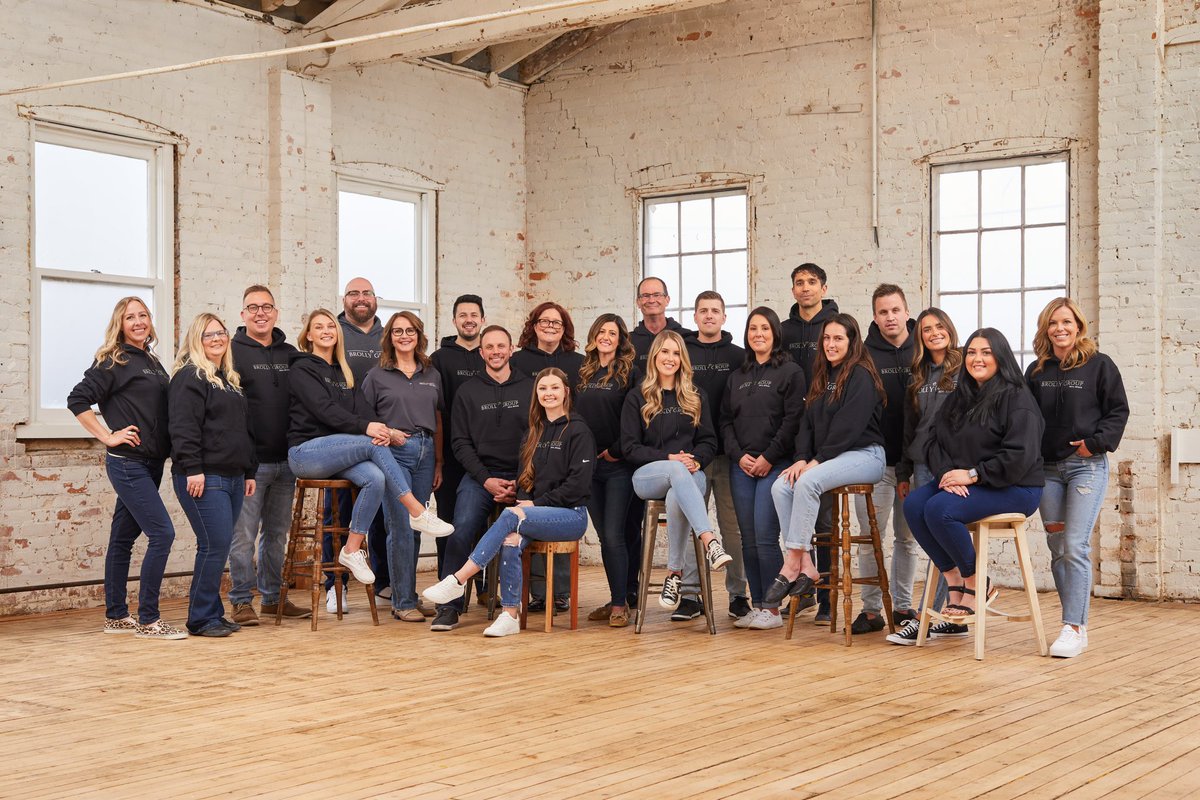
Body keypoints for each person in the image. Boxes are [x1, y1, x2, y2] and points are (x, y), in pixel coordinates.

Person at [286, 308, 451, 605]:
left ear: (338, 334)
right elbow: (325, 411)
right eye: (319, 327)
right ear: (308, 335)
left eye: (331, 327)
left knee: (374, 478)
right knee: (376, 445)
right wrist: (374, 430)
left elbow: (361, 410)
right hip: (306, 452)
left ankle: (351, 549)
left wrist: (382, 428)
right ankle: (417, 510)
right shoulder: (301, 369)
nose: (326, 331)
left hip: (338, 452)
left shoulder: (343, 371)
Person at [423, 368, 595, 637]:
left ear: (566, 392)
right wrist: (526, 499)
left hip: (570, 516)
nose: (548, 393)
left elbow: (578, 485)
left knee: (512, 516)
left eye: (554, 388)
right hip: (537, 514)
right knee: (510, 540)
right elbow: (526, 480)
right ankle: (510, 615)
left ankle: (458, 579)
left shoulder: (579, 430)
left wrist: (534, 504)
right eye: (542, 389)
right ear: (536, 394)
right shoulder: (532, 434)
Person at [903, 329, 1045, 624]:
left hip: (1015, 486)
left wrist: (972, 475)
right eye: (971, 352)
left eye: (986, 352)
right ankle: (955, 579)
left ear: (1000, 357)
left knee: (940, 510)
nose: (976, 359)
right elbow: (933, 441)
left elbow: (1019, 456)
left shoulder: (1017, 398)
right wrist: (946, 475)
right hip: (969, 482)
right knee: (915, 505)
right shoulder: (960, 397)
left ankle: (978, 582)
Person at [68, 297, 185, 640]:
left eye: (143, 315)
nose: (138, 322)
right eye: (130, 317)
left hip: (152, 463)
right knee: (163, 534)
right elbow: (77, 399)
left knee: (122, 539)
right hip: (128, 464)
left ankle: (116, 616)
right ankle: (149, 620)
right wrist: (108, 435)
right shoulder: (113, 359)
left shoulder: (151, 360)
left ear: (150, 320)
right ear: (120, 323)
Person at [1027, 298, 1128, 658]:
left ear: (1079, 326)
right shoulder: (1036, 371)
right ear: (1046, 328)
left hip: (1086, 466)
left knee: (1075, 545)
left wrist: (1095, 444)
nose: (1060, 329)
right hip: (1047, 471)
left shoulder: (1099, 365)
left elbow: (1118, 410)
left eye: (1067, 322)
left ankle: (1073, 626)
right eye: (1053, 323)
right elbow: (1025, 419)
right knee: (1057, 548)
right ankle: (1073, 623)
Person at [768, 314, 886, 609]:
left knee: (808, 481)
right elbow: (806, 424)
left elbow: (849, 425)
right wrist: (801, 459)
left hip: (866, 455)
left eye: (838, 338)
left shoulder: (860, 374)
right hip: (831, 458)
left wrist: (817, 461)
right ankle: (806, 563)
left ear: (852, 341)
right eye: (827, 338)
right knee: (782, 486)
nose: (831, 344)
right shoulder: (822, 375)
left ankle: (791, 563)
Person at [620, 330, 732, 611]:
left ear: (682, 359)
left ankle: (674, 574)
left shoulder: (695, 396)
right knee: (677, 473)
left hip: (688, 474)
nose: (670, 358)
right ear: (655, 356)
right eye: (664, 352)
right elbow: (630, 448)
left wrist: (696, 461)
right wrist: (669, 457)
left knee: (678, 493)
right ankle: (710, 540)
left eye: (675, 353)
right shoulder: (637, 397)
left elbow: (709, 440)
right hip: (647, 476)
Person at [433, 325, 533, 632]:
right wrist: (486, 479)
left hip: (522, 479)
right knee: (460, 528)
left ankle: (524, 602)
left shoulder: (530, 388)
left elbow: (537, 437)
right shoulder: (468, 391)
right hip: (479, 478)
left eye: (501, 346)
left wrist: (520, 480)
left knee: (526, 533)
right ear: (481, 352)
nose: (495, 352)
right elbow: (459, 443)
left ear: (511, 349)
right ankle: (448, 607)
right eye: (489, 347)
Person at [359, 311, 452, 622]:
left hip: (426, 453)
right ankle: (402, 602)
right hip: (394, 452)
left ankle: (408, 594)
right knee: (399, 527)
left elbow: (438, 419)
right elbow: (364, 420)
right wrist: (387, 433)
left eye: (409, 330)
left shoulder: (432, 373)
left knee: (417, 527)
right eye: (397, 331)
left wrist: (438, 460)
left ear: (418, 335)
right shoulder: (377, 376)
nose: (404, 336)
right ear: (389, 338)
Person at [169, 313, 257, 638]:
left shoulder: (229, 379)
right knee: (213, 545)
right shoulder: (189, 377)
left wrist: (249, 470)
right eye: (208, 335)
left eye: (220, 333)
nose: (216, 339)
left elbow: (244, 430)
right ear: (197, 339)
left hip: (233, 477)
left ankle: (214, 614)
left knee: (217, 547)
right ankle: (201, 619)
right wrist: (193, 468)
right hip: (204, 477)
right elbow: (182, 427)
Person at [227, 285, 309, 625]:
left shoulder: (291, 354)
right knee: (243, 535)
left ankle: (273, 598)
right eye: (253, 307)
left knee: (277, 535)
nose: (261, 313)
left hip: (286, 461)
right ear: (243, 314)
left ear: (276, 313)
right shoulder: (231, 352)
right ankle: (241, 601)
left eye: (267, 307)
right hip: (250, 464)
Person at [722, 307, 806, 630]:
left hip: (775, 464)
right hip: (741, 464)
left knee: (765, 535)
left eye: (765, 329)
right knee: (747, 537)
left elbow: (792, 421)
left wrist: (769, 457)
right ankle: (757, 604)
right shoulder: (737, 376)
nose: (758, 334)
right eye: (753, 329)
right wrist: (738, 455)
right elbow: (725, 421)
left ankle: (772, 608)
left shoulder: (791, 372)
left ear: (775, 334)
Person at [886, 307, 962, 645]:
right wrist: (903, 470)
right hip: (920, 464)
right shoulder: (917, 374)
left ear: (949, 329)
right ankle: (950, 616)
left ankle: (926, 617)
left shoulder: (964, 368)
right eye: (927, 329)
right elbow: (908, 427)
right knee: (935, 543)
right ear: (920, 337)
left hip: (951, 466)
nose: (933, 333)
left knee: (945, 539)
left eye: (939, 326)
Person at [852, 284, 918, 634]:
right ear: (874, 316)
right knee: (870, 536)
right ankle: (872, 610)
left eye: (895, 310)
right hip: (875, 463)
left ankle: (903, 606)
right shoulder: (863, 355)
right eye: (882, 312)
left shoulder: (923, 348)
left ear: (906, 312)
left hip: (913, 466)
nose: (890, 317)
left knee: (907, 539)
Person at [510, 300, 584, 611]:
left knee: (559, 510)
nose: (550, 326)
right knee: (532, 507)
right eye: (544, 321)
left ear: (565, 327)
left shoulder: (578, 361)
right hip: (530, 440)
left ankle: (560, 592)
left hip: (566, 443)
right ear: (534, 325)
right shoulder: (518, 360)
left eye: (557, 322)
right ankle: (538, 592)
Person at [779, 262, 839, 620]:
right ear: (793, 290)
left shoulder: (836, 326)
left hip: (826, 434)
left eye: (811, 282)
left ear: (823, 287)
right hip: (792, 432)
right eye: (798, 282)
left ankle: (829, 597)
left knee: (825, 522)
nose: (805, 288)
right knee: (793, 518)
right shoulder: (783, 331)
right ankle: (802, 590)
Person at [686, 291, 750, 621]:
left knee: (732, 529)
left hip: (727, 455)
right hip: (692, 456)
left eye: (715, 311)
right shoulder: (682, 351)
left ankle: (738, 594)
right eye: (703, 311)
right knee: (692, 526)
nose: (709, 316)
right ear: (695, 316)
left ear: (725, 318)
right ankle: (690, 594)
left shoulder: (739, 356)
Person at [575, 314, 641, 627]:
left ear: (620, 339)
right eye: (601, 331)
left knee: (616, 534)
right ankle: (621, 597)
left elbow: (638, 418)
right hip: (589, 466)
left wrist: (616, 450)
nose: (606, 336)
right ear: (593, 336)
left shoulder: (630, 372)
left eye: (612, 333)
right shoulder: (583, 372)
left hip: (619, 465)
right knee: (606, 537)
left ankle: (619, 605)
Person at [333, 277, 389, 605]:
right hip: (343, 436)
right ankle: (334, 586)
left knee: (382, 512)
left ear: (374, 298)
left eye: (366, 293)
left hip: (382, 437)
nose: (360, 298)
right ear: (345, 300)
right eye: (354, 293)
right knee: (339, 514)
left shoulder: (388, 336)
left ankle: (384, 582)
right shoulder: (334, 333)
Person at [430, 294, 486, 559]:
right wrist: (438, 461)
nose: (469, 320)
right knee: (448, 519)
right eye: (463, 315)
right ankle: (447, 582)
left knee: (484, 522)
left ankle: (485, 585)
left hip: (486, 454)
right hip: (450, 453)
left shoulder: (491, 355)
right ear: (454, 321)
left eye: (474, 315)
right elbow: (436, 410)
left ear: (482, 319)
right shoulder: (439, 358)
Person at [629, 277, 694, 370]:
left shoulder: (686, 337)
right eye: (645, 295)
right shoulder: (628, 341)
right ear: (638, 302)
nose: (651, 300)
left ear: (667, 300)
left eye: (657, 295)